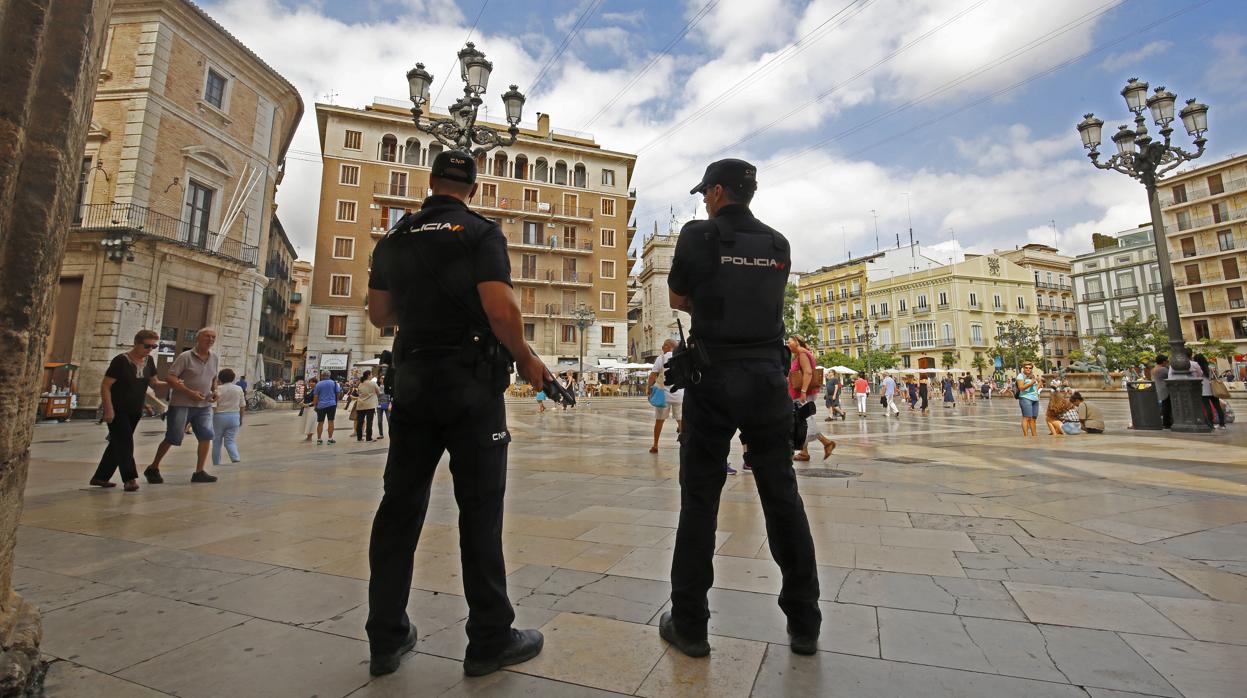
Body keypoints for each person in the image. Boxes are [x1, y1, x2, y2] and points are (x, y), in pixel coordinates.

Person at [364, 150, 549, 678]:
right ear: (473, 187)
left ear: (430, 181)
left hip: (414, 382)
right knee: (480, 511)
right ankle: (489, 638)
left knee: (399, 507)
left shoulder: (396, 237)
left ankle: (386, 635)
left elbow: (379, 313)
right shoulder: (480, 232)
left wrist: (422, 313)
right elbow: (499, 308)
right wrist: (526, 357)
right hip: (470, 385)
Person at [661, 157, 820, 659]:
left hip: (713, 377)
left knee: (700, 500)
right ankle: (805, 621)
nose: (703, 199)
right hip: (768, 381)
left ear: (717, 192)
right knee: (782, 496)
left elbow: (678, 297)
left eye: (705, 191)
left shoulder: (697, 235)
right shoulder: (778, 244)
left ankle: (689, 624)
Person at [92, 329, 168, 491]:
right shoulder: (121, 361)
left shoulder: (149, 361)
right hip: (118, 409)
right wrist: (108, 409)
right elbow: (106, 386)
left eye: (153, 347)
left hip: (135, 409)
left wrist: (174, 384)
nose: (150, 350)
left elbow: (154, 383)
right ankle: (130, 478)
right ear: (136, 343)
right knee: (126, 443)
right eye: (147, 346)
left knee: (117, 443)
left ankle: (100, 477)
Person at [145, 327, 219, 484]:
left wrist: (215, 391)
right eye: (207, 336)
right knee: (173, 436)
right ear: (198, 338)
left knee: (206, 436)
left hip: (204, 404)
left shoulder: (214, 358)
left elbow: (213, 378)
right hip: (181, 404)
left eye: (213, 337)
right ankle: (153, 467)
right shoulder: (185, 357)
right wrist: (189, 392)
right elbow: (171, 378)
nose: (211, 339)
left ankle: (199, 471)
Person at [788, 335, 835, 462]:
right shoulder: (801, 354)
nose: (788, 344)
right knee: (802, 419)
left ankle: (827, 443)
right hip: (801, 392)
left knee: (804, 419)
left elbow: (808, 372)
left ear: (797, 342)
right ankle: (804, 452)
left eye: (789, 342)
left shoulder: (802, 354)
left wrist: (803, 391)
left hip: (803, 393)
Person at [648, 338, 684, 453]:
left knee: (659, 421)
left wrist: (649, 388)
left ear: (668, 347)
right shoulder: (681, 357)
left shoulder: (661, 358)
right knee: (681, 420)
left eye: (663, 346)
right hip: (679, 394)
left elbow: (653, 375)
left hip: (664, 396)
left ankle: (655, 445)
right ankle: (685, 444)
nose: (662, 349)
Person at [211, 369, 245, 465]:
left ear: (220, 378)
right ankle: (235, 458)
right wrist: (240, 419)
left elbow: (213, 406)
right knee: (230, 440)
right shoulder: (238, 389)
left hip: (219, 416)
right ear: (233, 378)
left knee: (216, 441)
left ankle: (216, 463)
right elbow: (242, 406)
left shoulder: (218, 389)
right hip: (234, 416)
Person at [1193, 354, 1226, 429]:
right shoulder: (1210, 368)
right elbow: (1215, 377)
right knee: (1218, 407)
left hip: (1203, 390)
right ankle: (1222, 424)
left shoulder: (1197, 369)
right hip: (1213, 389)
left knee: (1207, 407)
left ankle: (1211, 424)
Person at [312, 370, 341, 444]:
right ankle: (330, 439)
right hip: (331, 404)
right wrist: (336, 401)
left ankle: (319, 439)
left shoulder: (318, 384)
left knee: (320, 422)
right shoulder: (334, 383)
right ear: (329, 375)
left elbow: (315, 396)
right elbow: (338, 393)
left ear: (322, 375)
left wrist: (315, 405)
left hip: (321, 405)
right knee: (331, 421)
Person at [1015, 361, 1040, 437]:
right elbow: (1021, 388)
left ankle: (1034, 435)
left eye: (1030, 368)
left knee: (1033, 419)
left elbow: (1036, 386)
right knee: (1027, 417)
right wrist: (1031, 383)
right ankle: (1026, 436)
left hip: (1035, 399)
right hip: (1025, 398)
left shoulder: (1032, 376)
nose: (1028, 369)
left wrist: (1039, 384)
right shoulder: (1020, 376)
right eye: (1026, 368)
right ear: (1023, 368)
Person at [355, 370, 381, 441]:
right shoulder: (373, 383)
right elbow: (379, 392)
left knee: (360, 422)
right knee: (369, 422)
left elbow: (358, 392)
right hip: (370, 405)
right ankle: (368, 438)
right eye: (371, 374)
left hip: (360, 405)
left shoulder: (360, 384)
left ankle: (359, 437)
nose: (372, 376)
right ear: (368, 375)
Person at [1152, 355, 1172, 428]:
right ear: (1163, 361)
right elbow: (1171, 375)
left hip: (1160, 389)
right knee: (1167, 407)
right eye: (1167, 361)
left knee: (1165, 406)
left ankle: (1165, 423)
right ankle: (1167, 423)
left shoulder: (1154, 369)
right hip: (1166, 390)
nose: (1167, 363)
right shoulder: (1163, 369)